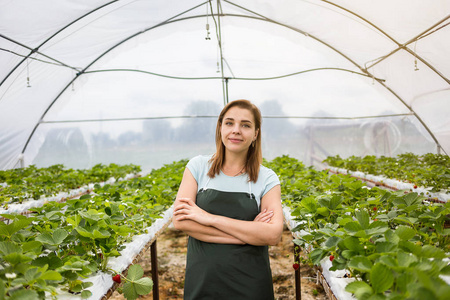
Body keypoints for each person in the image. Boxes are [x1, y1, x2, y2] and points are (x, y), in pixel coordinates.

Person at [173, 99, 283, 300]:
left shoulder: (267, 178)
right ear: (220, 127)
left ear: (256, 134)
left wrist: (209, 218)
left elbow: (273, 235)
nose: (236, 130)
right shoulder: (197, 167)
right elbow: (181, 220)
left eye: (246, 125)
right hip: (203, 280)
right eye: (230, 123)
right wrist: (247, 235)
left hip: (250, 283)